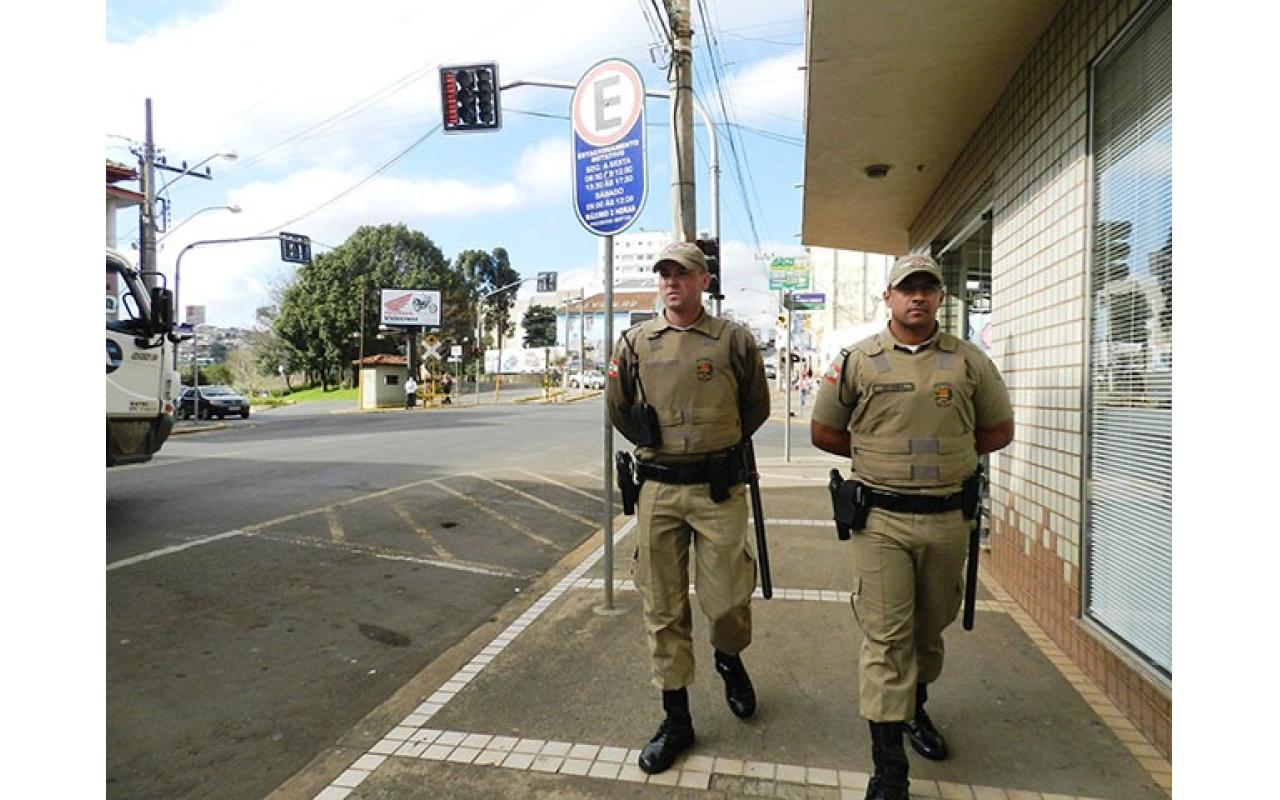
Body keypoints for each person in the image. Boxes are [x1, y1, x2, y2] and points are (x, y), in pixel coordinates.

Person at [809, 254, 1014, 800]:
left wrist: (946, 459)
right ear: (889, 298)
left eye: (927, 288)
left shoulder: (970, 361)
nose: (917, 297)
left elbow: (998, 430)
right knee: (887, 638)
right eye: (907, 289)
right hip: (882, 522)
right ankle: (889, 769)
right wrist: (882, 456)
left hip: (949, 519)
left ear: (939, 298)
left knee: (929, 629)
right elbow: (824, 431)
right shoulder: (857, 360)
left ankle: (914, 709)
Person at [606, 241, 771, 775]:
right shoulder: (635, 342)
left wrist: (717, 446)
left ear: (704, 281)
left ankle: (728, 656)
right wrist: (659, 444)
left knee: (726, 599)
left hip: (719, 488)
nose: (672, 282)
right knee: (662, 607)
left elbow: (755, 407)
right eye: (665, 274)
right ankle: (676, 718)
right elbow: (620, 410)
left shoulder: (733, 340)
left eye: (683, 274)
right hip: (658, 489)